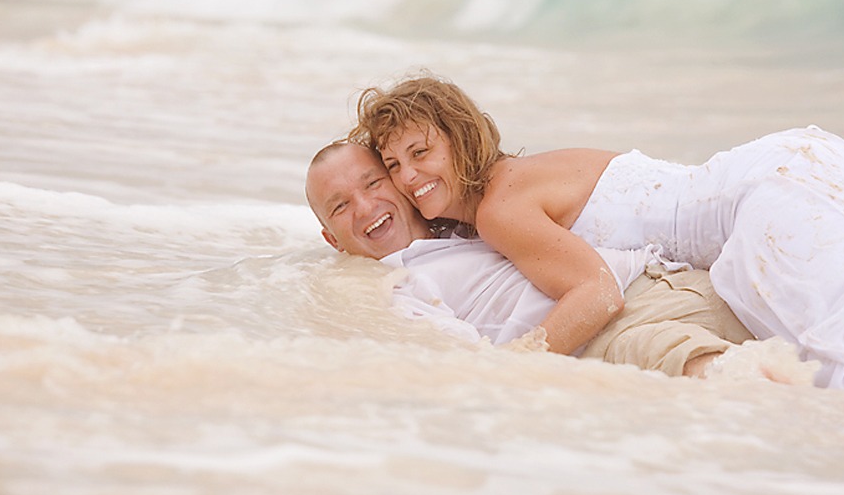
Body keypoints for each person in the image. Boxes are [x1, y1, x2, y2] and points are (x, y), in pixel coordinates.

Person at [351, 71, 844, 406]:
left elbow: (595, 296)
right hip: (799, 161)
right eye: (394, 166)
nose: (409, 177)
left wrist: (510, 368)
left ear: (462, 138)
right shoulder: (524, 176)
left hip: (758, 205)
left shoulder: (502, 207)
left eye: (421, 152)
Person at [305, 141, 757, 378]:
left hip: (672, 277)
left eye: (372, 183)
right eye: (340, 206)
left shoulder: (471, 215)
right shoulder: (391, 290)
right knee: (744, 384)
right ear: (331, 238)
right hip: (609, 336)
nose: (365, 208)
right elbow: (469, 365)